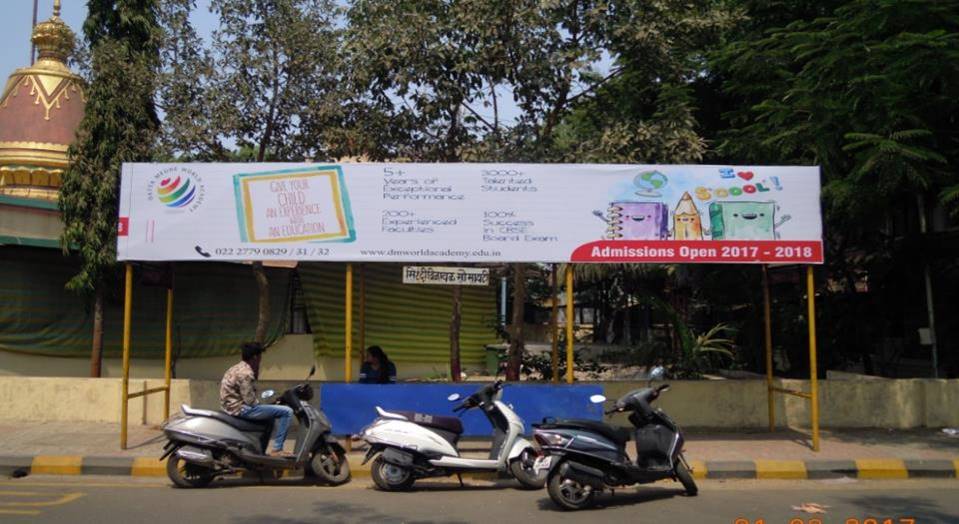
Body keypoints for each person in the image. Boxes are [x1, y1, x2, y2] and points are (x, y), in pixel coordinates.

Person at [219, 341, 293, 457]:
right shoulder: (246, 373)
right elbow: (250, 401)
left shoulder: (235, 368)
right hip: (240, 409)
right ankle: (277, 449)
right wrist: (266, 404)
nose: (260, 360)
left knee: (269, 418)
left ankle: (260, 452)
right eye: (260, 357)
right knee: (287, 412)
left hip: (230, 407)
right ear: (255, 357)